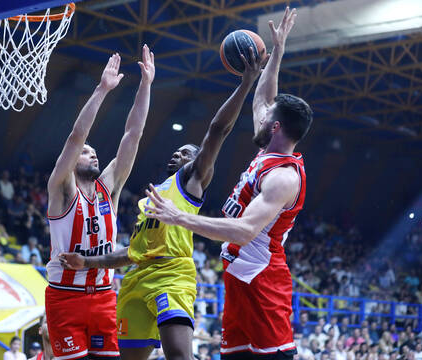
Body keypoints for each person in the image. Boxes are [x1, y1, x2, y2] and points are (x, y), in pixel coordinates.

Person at [60, 47, 265, 359]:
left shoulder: (192, 181)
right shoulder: (150, 200)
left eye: (186, 152)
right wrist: (86, 262)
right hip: (135, 279)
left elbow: (217, 131)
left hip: (171, 275)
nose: (178, 155)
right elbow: (131, 254)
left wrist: (245, 84)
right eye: (177, 152)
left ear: (200, 163)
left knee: (178, 356)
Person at [140, 8, 313, 360]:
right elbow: (265, 98)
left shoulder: (283, 177)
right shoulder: (270, 148)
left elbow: (244, 230)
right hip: (238, 278)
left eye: (268, 117)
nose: (260, 114)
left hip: (262, 280)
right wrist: (276, 53)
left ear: (276, 127)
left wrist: (180, 217)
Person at [45, 45, 155, 360]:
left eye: (94, 152)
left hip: (105, 296)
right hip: (66, 297)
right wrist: (102, 89)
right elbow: (75, 137)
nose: (91, 154)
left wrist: (145, 86)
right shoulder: (62, 188)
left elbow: (133, 134)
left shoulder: (109, 186)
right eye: (86, 152)